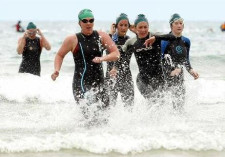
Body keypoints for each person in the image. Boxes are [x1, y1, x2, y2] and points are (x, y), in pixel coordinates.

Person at [51, 9, 120, 107]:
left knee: (105, 116)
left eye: (91, 20)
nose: (88, 23)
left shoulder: (102, 36)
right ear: (79, 23)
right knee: (88, 115)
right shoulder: (72, 39)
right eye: (85, 21)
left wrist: (102, 58)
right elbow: (59, 55)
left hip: (99, 82)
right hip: (80, 84)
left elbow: (116, 54)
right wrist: (56, 70)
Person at [145, 13, 199, 110]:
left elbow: (185, 59)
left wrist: (191, 70)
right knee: (162, 106)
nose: (179, 25)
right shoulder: (165, 41)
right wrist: (170, 72)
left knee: (179, 107)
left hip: (179, 77)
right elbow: (160, 60)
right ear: (171, 26)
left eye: (181, 23)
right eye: (176, 23)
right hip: (165, 78)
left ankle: (178, 124)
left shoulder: (186, 41)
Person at [120, 14, 175, 101]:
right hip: (142, 80)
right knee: (153, 101)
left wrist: (156, 38)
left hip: (159, 78)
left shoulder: (154, 36)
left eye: (145, 27)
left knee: (161, 104)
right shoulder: (131, 42)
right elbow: (120, 55)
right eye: (140, 27)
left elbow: (172, 37)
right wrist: (115, 67)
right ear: (136, 28)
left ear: (148, 26)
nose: (143, 30)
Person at [106, 13, 134, 106]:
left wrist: (136, 31)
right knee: (109, 109)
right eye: (121, 25)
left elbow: (124, 57)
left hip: (126, 77)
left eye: (126, 25)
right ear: (116, 26)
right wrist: (111, 34)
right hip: (111, 77)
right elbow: (98, 49)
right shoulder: (108, 39)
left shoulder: (129, 41)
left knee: (129, 109)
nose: (123, 27)